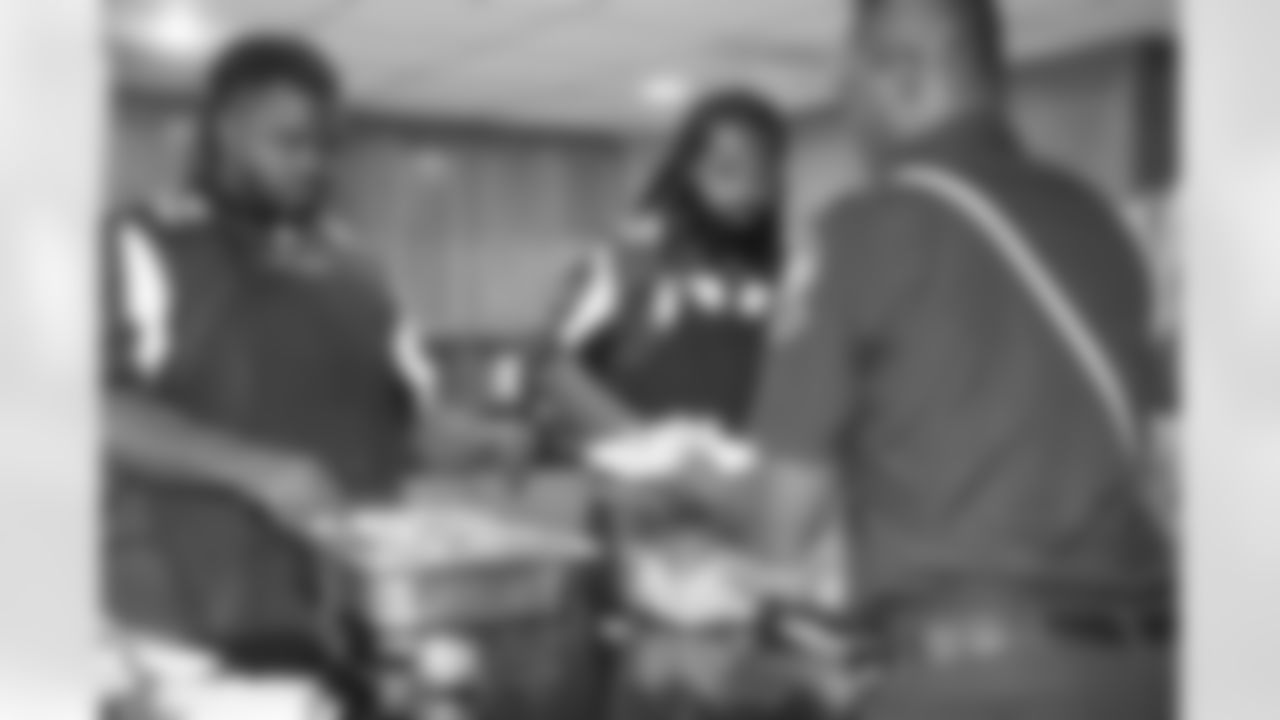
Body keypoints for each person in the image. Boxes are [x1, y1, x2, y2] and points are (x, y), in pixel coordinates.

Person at [735, 0, 1176, 718]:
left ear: (902, 74)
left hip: (970, 686)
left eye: (851, 88)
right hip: (1149, 671)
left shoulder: (857, 232)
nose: (849, 113)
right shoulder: (1103, 225)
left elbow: (783, 523)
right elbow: (1153, 456)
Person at [103, 33, 520, 680]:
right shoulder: (142, 242)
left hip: (348, 610)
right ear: (225, 131)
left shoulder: (359, 268)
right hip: (189, 620)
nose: (314, 163)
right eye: (291, 142)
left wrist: (475, 440)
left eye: (327, 146)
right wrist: (252, 468)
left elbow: (405, 419)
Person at [544, 88, 790, 439]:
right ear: (690, 170)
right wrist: (643, 443)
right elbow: (556, 368)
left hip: (740, 471)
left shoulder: (776, 278)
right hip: (640, 468)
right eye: (727, 169)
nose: (747, 189)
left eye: (763, 173)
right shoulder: (634, 256)